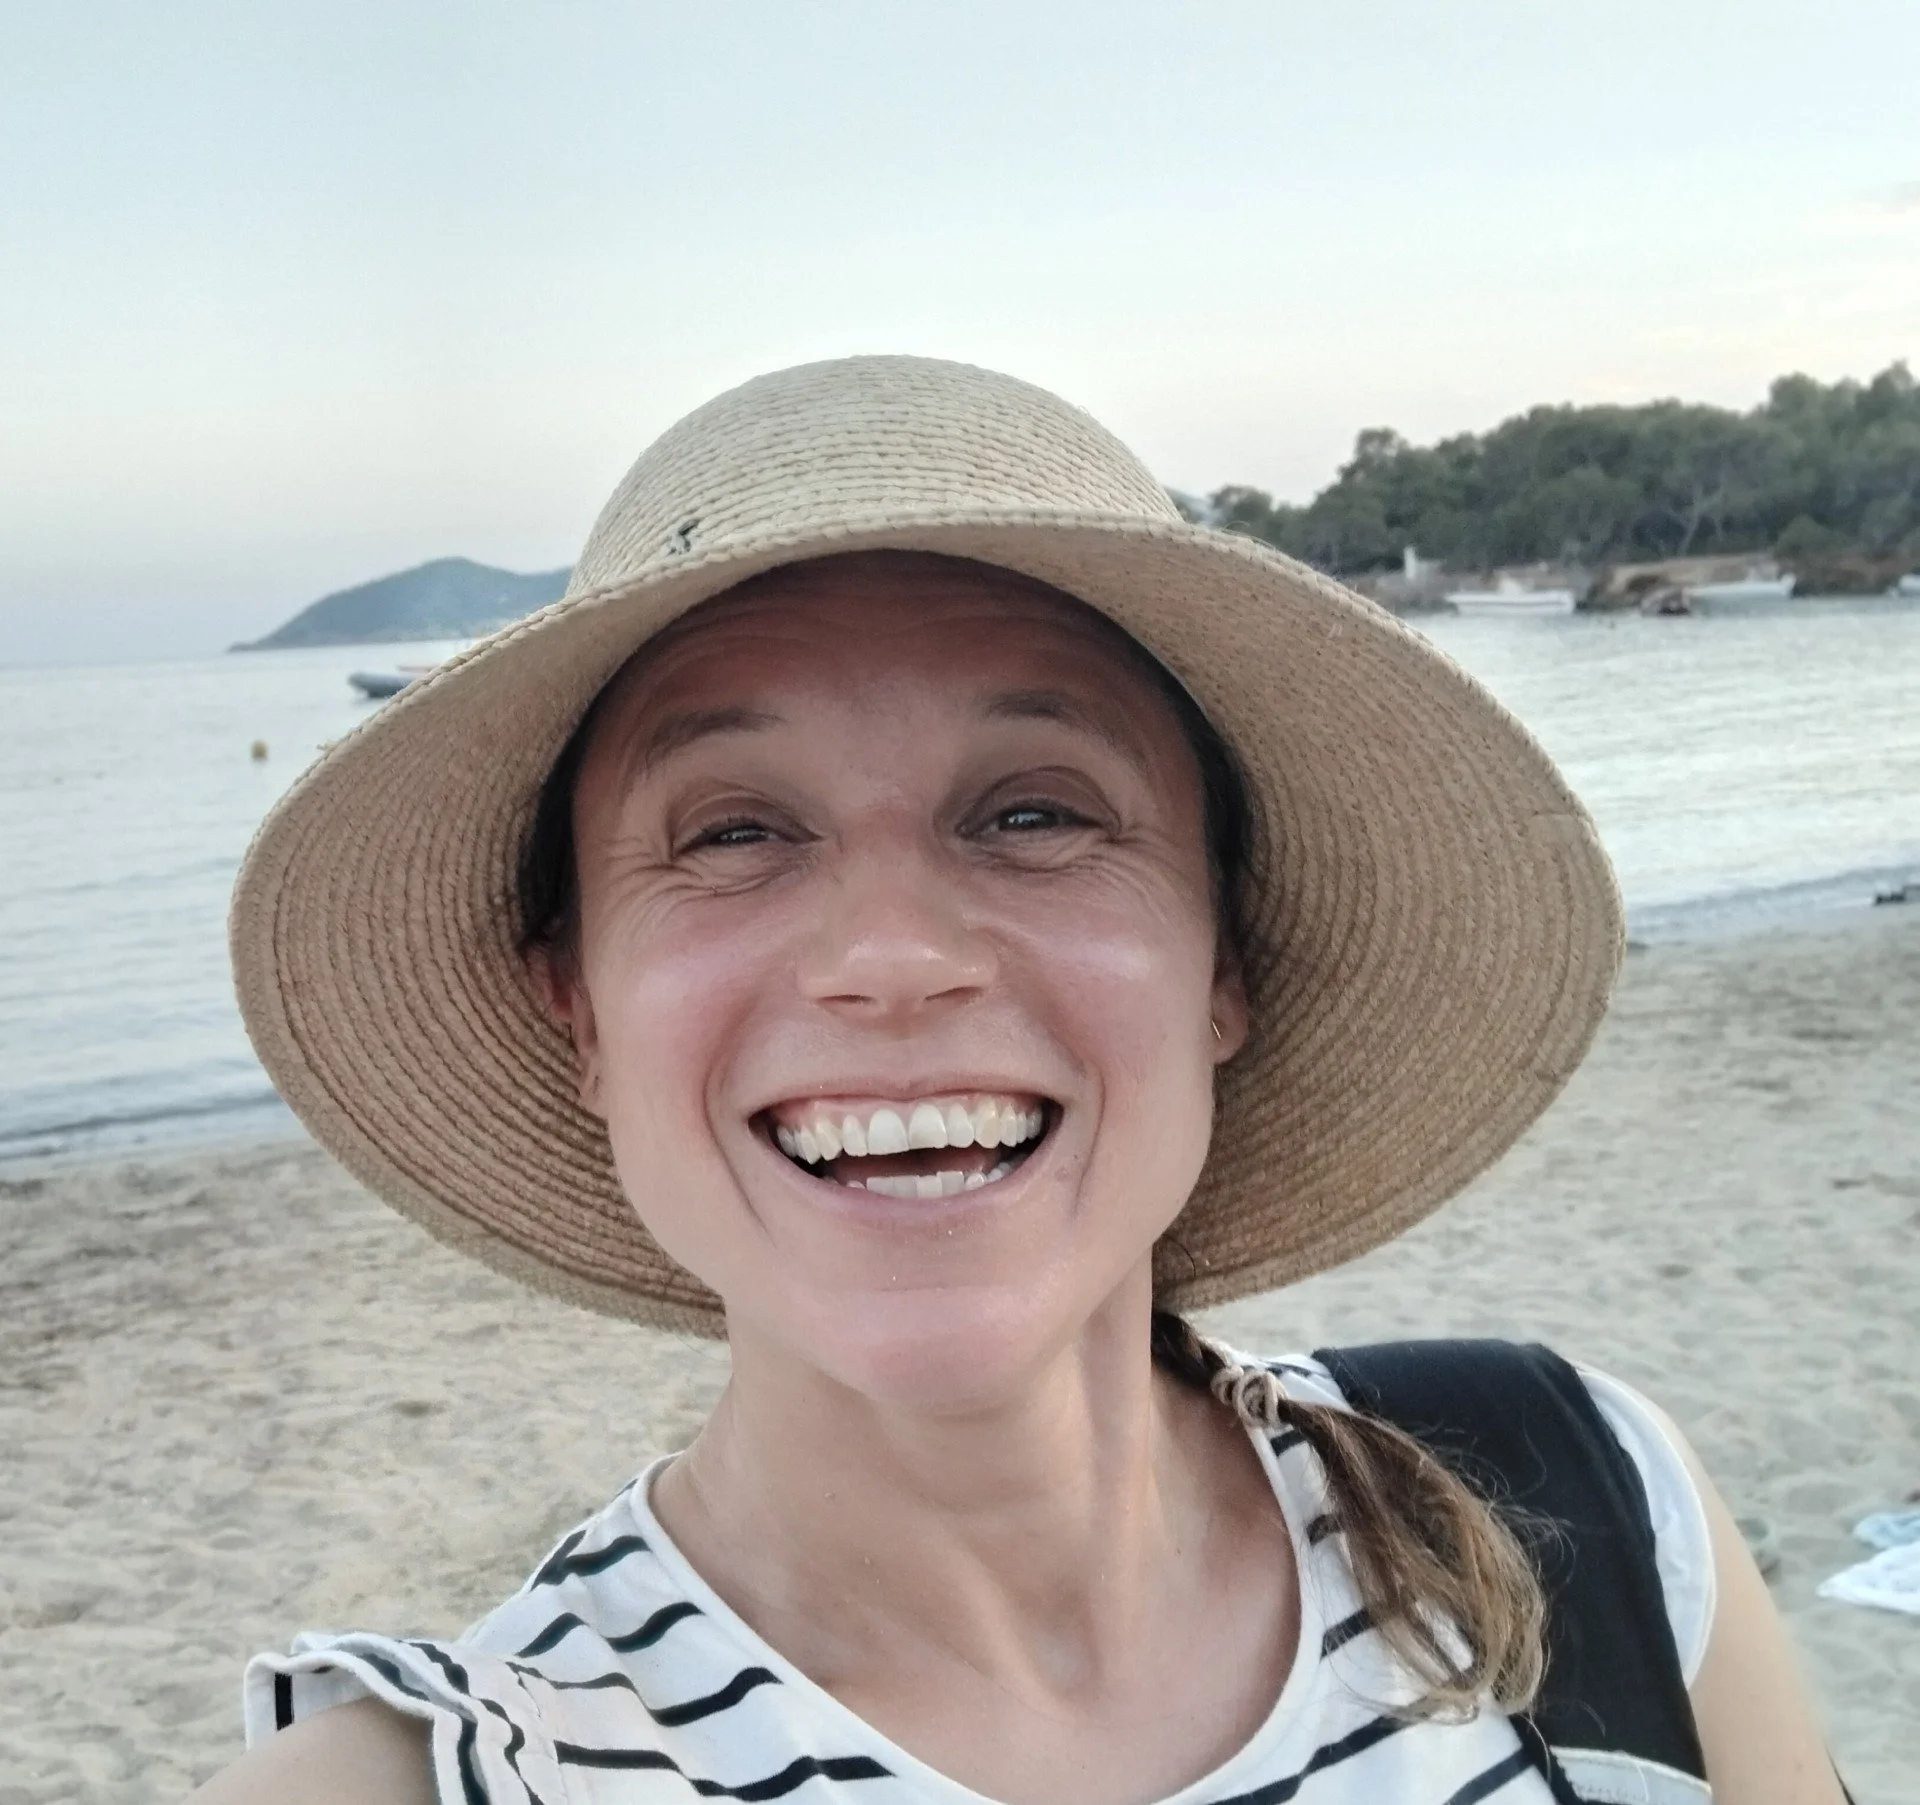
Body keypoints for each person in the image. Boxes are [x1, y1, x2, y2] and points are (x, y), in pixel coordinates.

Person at [196, 358, 1843, 1805]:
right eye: (735, 831)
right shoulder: (425, 1780)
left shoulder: (1585, 1506)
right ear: (581, 1016)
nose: (895, 956)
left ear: (1222, 966)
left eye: (1038, 811)